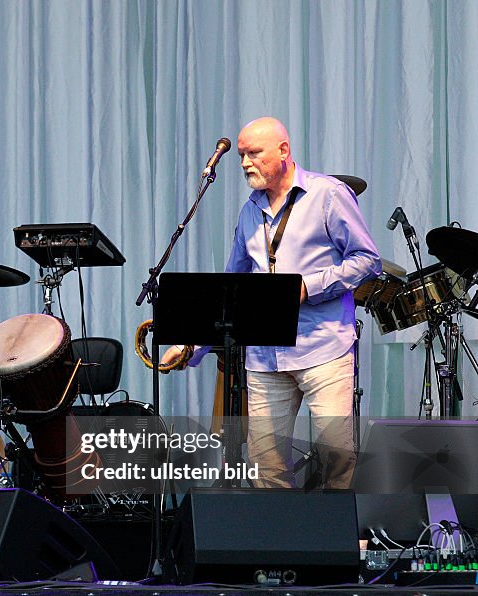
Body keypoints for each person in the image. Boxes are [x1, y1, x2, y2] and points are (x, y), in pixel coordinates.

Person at [162, 117, 381, 489]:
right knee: (265, 467)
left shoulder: (328, 194)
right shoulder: (249, 210)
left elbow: (367, 260)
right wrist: (190, 345)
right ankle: (282, 547)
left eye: (254, 153)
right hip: (264, 356)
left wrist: (306, 288)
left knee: (337, 460)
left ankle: (334, 544)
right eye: (242, 155)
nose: (246, 163)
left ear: (283, 150)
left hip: (323, 348)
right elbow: (231, 288)